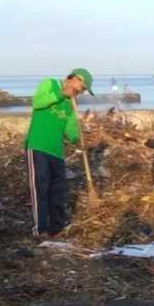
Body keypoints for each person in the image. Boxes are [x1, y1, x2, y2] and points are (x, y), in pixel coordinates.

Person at [24, 68, 94, 240]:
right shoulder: (50, 84)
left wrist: (77, 138)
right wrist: (61, 94)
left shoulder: (71, 103)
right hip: (38, 145)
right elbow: (37, 102)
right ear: (74, 78)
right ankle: (40, 229)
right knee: (40, 186)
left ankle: (56, 228)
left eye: (84, 90)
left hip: (56, 151)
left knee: (58, 190)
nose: (81, 91)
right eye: (82, 87)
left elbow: (69, 127)